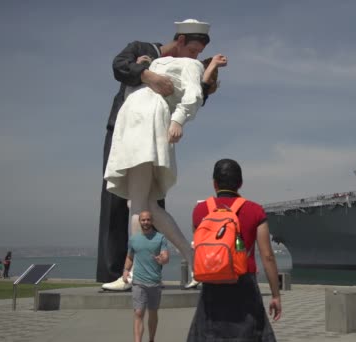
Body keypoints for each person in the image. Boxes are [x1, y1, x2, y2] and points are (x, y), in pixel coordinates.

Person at [97, 18, 218, 289]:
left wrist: (178, 120)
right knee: (144, 204)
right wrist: (145, 70)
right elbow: (120, 66)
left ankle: (131, 275)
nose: (195, 56)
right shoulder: (147, 52)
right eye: (194, 49)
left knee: (138, 204)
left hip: (146, 127)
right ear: (182, 41)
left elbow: (192, 96)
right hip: (128, 126)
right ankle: (192, 258)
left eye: (200, 54)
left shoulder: (189, 64)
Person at [187, 159, 282, 341]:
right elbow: (268, 256)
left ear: (214, 183)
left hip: (211, 286)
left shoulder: (200, 210)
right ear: (240, 183)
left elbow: (198, 249)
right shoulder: (255, 210)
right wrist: (276, 295)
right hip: (244, 284)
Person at [122, 210, 169, 342]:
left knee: (153, 313)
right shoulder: (134, 239)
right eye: (143, 220)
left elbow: (165, 256)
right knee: (138, 313)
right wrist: (126, 270)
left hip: (154, 282)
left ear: (152, 221)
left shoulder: (160, 238)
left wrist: (162, 259)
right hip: (138, 282)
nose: (146, 222)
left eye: (148, 220)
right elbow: (130, 257)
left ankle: (152, 339)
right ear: (140, 221)